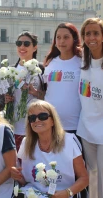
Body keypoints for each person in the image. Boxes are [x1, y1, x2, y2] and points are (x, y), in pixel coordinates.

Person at [11, 100, 88, 198]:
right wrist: (16, 175)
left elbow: (84, 178)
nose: (37, 120)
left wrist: (66, 193)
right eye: (32, 118)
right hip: (34, 193)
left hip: (64, 193)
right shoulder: (26, 143)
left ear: (52, 121)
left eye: (42, 116)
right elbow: (25, 181)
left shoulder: (69, 141)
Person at [41, 23, 82, 137]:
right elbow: (46, 91)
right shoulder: (50, 62)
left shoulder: (82, 62)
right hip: (51, 124)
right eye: (58, 37)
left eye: (66, 37)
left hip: (75, 126)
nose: (61, 41)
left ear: (74, 39)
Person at [77, 17, 103, 198]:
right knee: (92, 175)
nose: (91, 37)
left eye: (96, 33)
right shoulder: (81, 62)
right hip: (86, 128)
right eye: (87, 34)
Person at [5, 31, 42, 151]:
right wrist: (5, 98)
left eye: (26, 43)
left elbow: (50, 96)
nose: (22, 47)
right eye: (19, 43)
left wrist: (35, 92)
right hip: (15, 127)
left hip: (36, 126)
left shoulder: (42, 70)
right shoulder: (10, 70)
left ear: (35, 47)